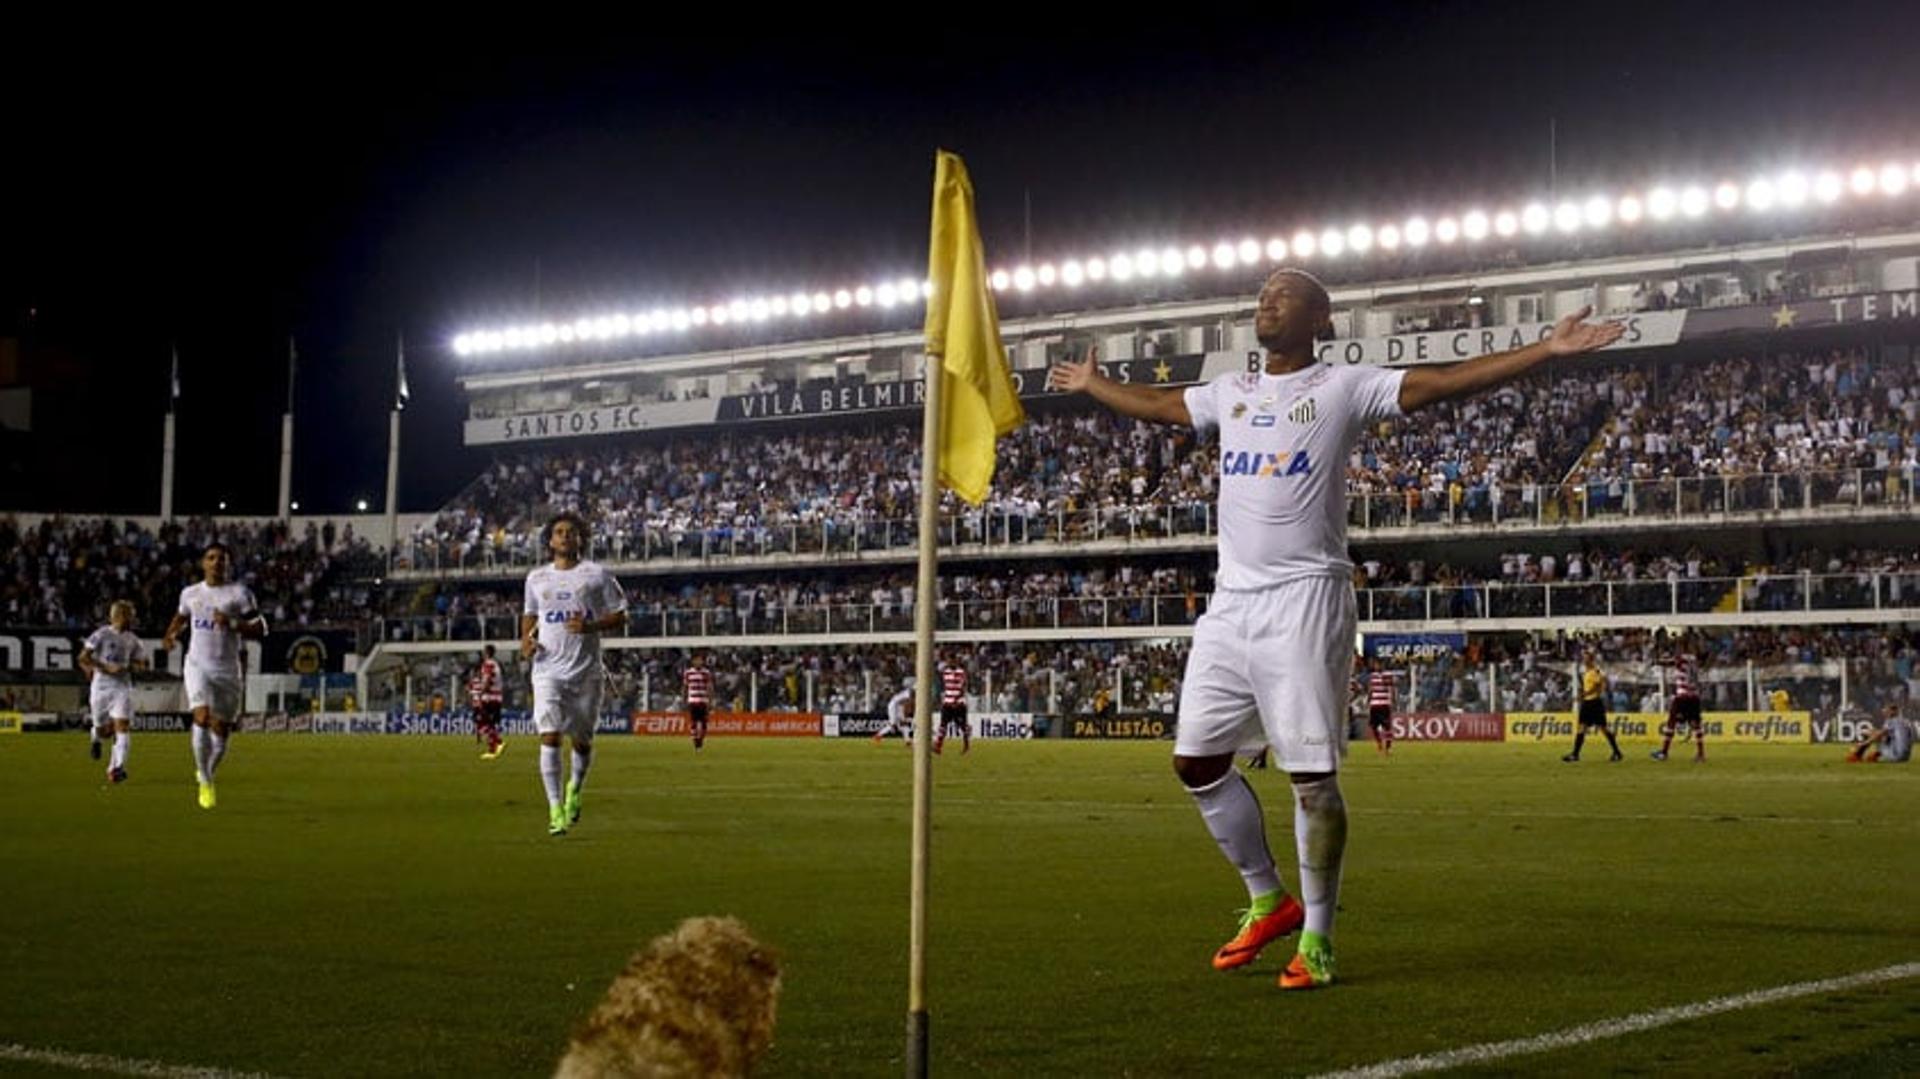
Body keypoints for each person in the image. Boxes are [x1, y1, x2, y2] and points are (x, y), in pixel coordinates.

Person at [1049, 267, 1624, 990]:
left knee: (1311, 779)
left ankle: (1317, 938)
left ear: (1321, 320)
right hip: (1231, 603)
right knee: (1194, 763)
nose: (1267, 299)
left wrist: (1546, 348)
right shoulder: (1232, 391)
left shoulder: (1344, 388)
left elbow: (1443, 382)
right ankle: (1268, 896)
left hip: (1306, 596)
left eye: (1285, 294)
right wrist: (1093, 386)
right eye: (1262, 292)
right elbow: (1162, 405)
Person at [521, 513, 628, 837]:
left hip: (586, 671)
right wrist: (525, 640)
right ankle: (555, 809)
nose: (565, 536)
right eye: (559, 532)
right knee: (550, 735)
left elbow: (621, 616)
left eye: (571, 532)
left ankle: (575, 790)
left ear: (580, 539)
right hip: (547, 669)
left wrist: (590, 626)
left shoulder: (597, 575)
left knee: (582, 742)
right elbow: (529, 614)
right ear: (550, 541)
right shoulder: (536, 578)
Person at [161, 543, 266, 810]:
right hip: (197, 665)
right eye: (211, 558)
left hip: (228, 670)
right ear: (203, 563)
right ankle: (206, 782)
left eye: (222, 559)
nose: (217, 562)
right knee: (201, 716)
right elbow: (180, 618)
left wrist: (232, 623)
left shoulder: (239, 594)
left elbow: (261, 628)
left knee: (221, 733)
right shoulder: (190, 593)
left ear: (228, 564)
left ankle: (207, 770)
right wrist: (170, 635)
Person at [79, 600, 146, 783]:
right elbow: (83, 657)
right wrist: (104, 667)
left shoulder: (133, 640)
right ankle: (96, 737)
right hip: (101, 688)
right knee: (104, 730)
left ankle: (116, 768)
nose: (133, 618)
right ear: (119, 616)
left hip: (122, 688)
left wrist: (132, 666)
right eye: (130, 614)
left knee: (122, 727)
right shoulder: (101, 634)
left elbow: (141, 664)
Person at [1565, 652, 1624, 763]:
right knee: (1582, 727)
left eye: (1586, 658)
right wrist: (1584, 694)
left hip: (1594, 703)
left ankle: (1617, 752)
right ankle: (1575, 754)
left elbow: (1598, 685)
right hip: (1587, 703)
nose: (1584, 660)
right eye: (1584, 658)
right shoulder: (1586, 672)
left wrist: (1585, 694)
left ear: (1591, 660)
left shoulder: (1594, 672)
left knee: (1603, 728)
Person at [1652, 646, 1705, 762]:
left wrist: (1658, 660)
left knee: (1671, 723)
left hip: (1683, 696)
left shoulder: (1681, 659)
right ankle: (1701, 754)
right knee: (1696, 724)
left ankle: (1664, 752)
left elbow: (1667, 662)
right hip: (1694, 696)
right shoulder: (1693, 659)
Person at [470, 643, 506, 759]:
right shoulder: (496, 664)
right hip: (497, 697)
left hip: (490, 698)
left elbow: (487, 679)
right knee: (490, 724)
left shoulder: (488, 664)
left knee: (481, 722)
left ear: (486, 653)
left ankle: (498, 742)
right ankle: (493, 748)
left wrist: (481, 693)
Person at [1846, 704, 1913, 763]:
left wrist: (1863, 743)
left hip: (1896, 755)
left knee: (1868, 733)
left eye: (1886, 710)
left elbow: (1879, 734)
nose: (1884, 711)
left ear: (1892, 712)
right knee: (1876, 735)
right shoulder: (1905, 721)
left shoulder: (1891, 721)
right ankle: (1876, 754)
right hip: (1906, 757)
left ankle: (1857, 756)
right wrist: (1873, 731)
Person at [935, 653, 970, 755]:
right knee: (943, 725)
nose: (949, 662)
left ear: (955, 661)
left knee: (963, 726)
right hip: (947, 703)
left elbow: (963, 687)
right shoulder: (945, 672)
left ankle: (966, 746)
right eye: (948, 660)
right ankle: (938, 746)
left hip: (959, 704)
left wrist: (956, 699)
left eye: (951, 660)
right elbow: (946, 687)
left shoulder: (961, 672)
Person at [683, 651, 714, 751]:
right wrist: (684, 699)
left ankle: (700, 740)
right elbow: (685, 687)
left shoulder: (706, 672)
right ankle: (696, 742)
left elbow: (709, 687)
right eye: (696, 660)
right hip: (693, 700)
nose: (698, 662)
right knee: (694, 723)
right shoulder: (688, 673)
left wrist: (710, 700)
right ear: (693, 661)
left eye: (700, 660)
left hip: (703, 700)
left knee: (704, 723)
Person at [1365, 659, 1395, 756]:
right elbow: (1371, 689)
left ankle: (1388, 748)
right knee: (1373, 726)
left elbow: (1390, 687)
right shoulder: (1372, 676)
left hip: (1384, 704)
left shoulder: (1387, 674)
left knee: (1387, 727)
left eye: (1378, 664)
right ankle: (1379, 743)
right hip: (1374, 704)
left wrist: (1393, 700)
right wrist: (1368, 700)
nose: (1376, 666)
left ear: (1382, 664)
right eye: (1375, 665)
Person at [874, 678, 914, 745]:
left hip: (898, 706)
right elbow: (905, 703)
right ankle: (878, 735)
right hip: (893, 705)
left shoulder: (907, 692)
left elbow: (903, 702)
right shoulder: (908, 693)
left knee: (904, 723)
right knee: (893, 724)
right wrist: (905, 712)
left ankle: (907, 740)